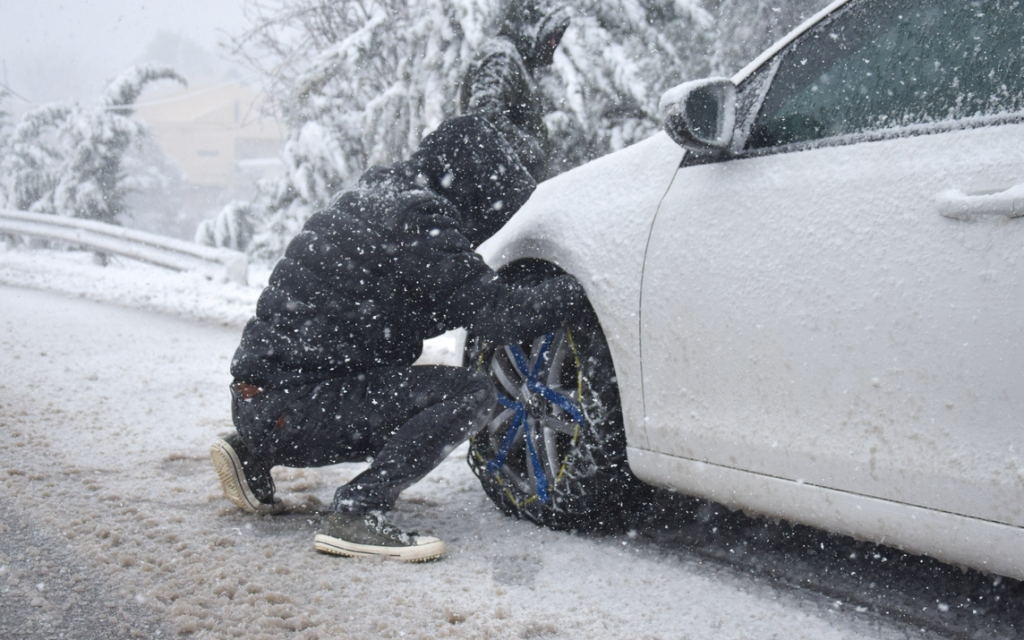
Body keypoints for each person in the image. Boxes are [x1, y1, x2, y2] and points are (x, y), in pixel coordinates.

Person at [210, 115, 586, 562]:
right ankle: (355, 512)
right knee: (470, 394)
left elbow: (420, 303)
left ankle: (252, 449)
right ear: (471, 188)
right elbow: (497, 315)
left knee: (384, 382)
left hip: (264, 400)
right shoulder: (418, 222)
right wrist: (583, 285)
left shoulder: (378, 201)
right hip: (294, 407)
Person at [460, 0, 571, 181]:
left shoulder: (513, 59)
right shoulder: (503, 56)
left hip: (504, 187)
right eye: (551, 35)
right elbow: (483, 117)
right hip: (500, 191)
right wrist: (533, 152)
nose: (553, 43)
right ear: (532, 23)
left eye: (557, 38)